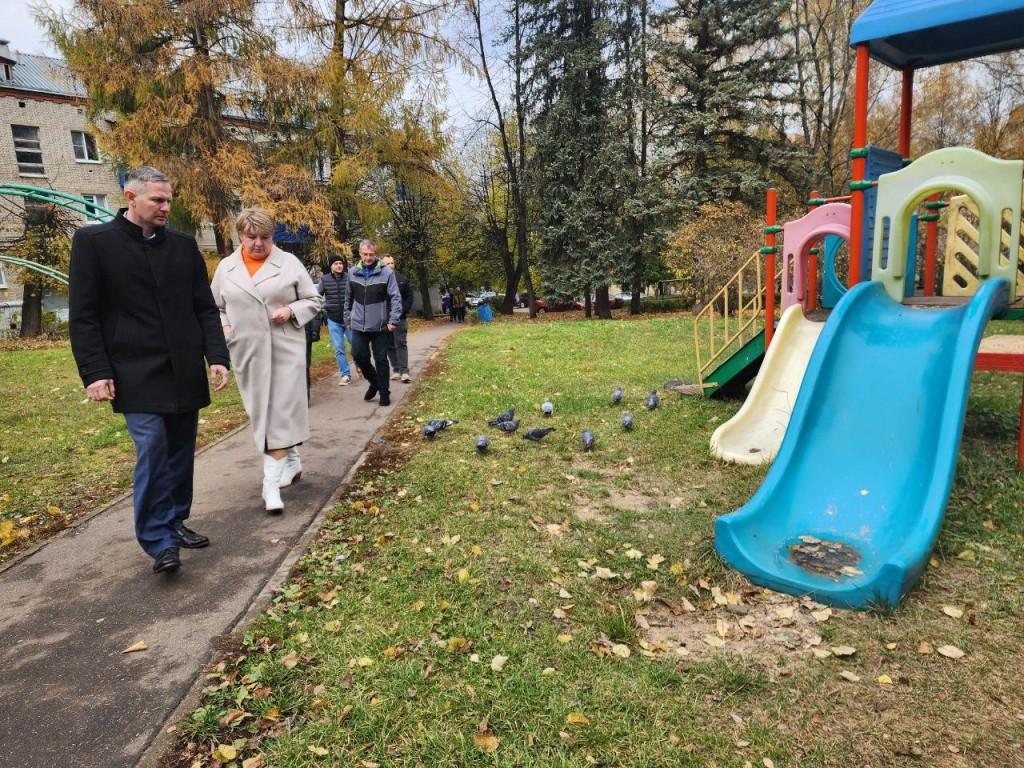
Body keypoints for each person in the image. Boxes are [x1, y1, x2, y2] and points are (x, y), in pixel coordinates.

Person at [69, 166, 230, 575]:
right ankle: (159, 540)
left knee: (179, 450)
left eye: (168, 200)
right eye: (157, 200)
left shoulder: (181, 244)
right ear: (130, 196)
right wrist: (94, 372)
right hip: (132, 370)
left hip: (183, 367)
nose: (165, 207)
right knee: (153, 447)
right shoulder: (94, 242)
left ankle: (175, 521)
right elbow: (84, 316)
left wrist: (217, 357)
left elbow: (204, 308)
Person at [210, 209, 323, 514]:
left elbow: (313, 299)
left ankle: (269, 486)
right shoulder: (227, 268)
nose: (258, 243)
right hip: (247, 351)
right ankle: (293, 462)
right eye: (251, 237)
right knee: (262, 412)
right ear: (240, 236)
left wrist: (291, 311)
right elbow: (215, 307)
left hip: (285, 348)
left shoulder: (288, 263)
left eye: (265, 237)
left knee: (278, 413)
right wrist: (225, 328)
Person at [344, 239, 402, 406]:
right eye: (365, 254)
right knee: (358, 355)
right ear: (360, 254)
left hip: (380, 325)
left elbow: (395, 297)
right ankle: (374, 381)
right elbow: (348, 298)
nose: (368, 257)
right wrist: (347, 318)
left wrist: (394, 319)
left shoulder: (386, 273)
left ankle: (384, 392)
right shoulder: (353, 272)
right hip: (358, 325)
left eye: (371, 254)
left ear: (375, 254)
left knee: (381, 359)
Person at [317, 253, 353, 386]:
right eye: (336, 264)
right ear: (331, 266)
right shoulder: (324, 280)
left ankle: (360, 365)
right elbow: (316, 296)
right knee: (339, 348)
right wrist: (323, 308)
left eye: (340, 263)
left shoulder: (350, 278)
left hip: (349, 319)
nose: (339, 266)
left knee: (356, 345)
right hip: (333, 319)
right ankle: (345, 375)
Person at [381, 254, 414, 383]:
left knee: (401, 343)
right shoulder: (378, 280)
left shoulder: (401, 279)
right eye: (387, 263)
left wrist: (402, 310)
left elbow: (409, 297)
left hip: (400, 318)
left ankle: (404, 371)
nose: (390, 265)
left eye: (392, 263)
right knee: (389, 345)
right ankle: (396, 370)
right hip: (384, 319)